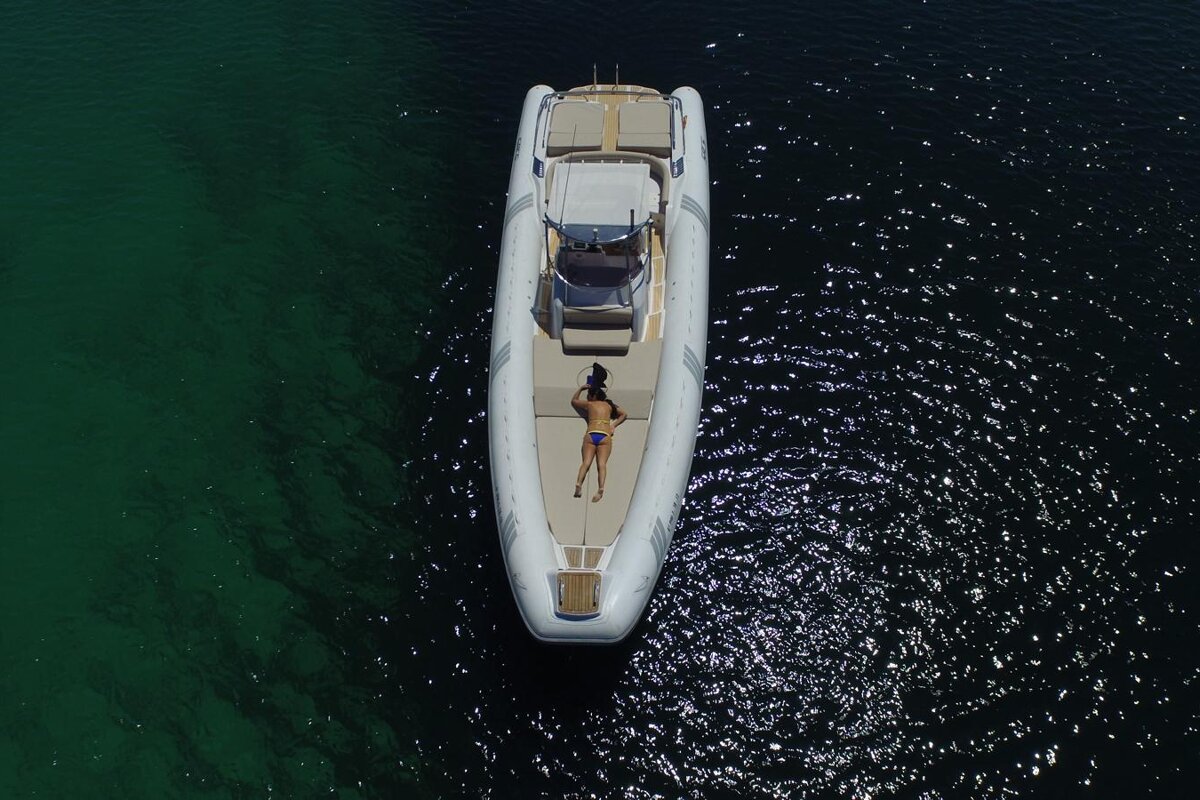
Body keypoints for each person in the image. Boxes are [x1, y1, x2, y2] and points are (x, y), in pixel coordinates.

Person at [571, 383, 626, 502]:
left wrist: (581, 388)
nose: (587, 397)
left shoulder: (590, 404)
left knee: (586, 463)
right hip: (604, 435)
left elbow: (574, 401)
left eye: (588, 395)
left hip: (591, 433)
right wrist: (613, 425)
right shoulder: (609, 406)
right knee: (601, 464)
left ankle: (579, 483)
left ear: (593, 396)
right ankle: (601, 488)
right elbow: (624, 414)